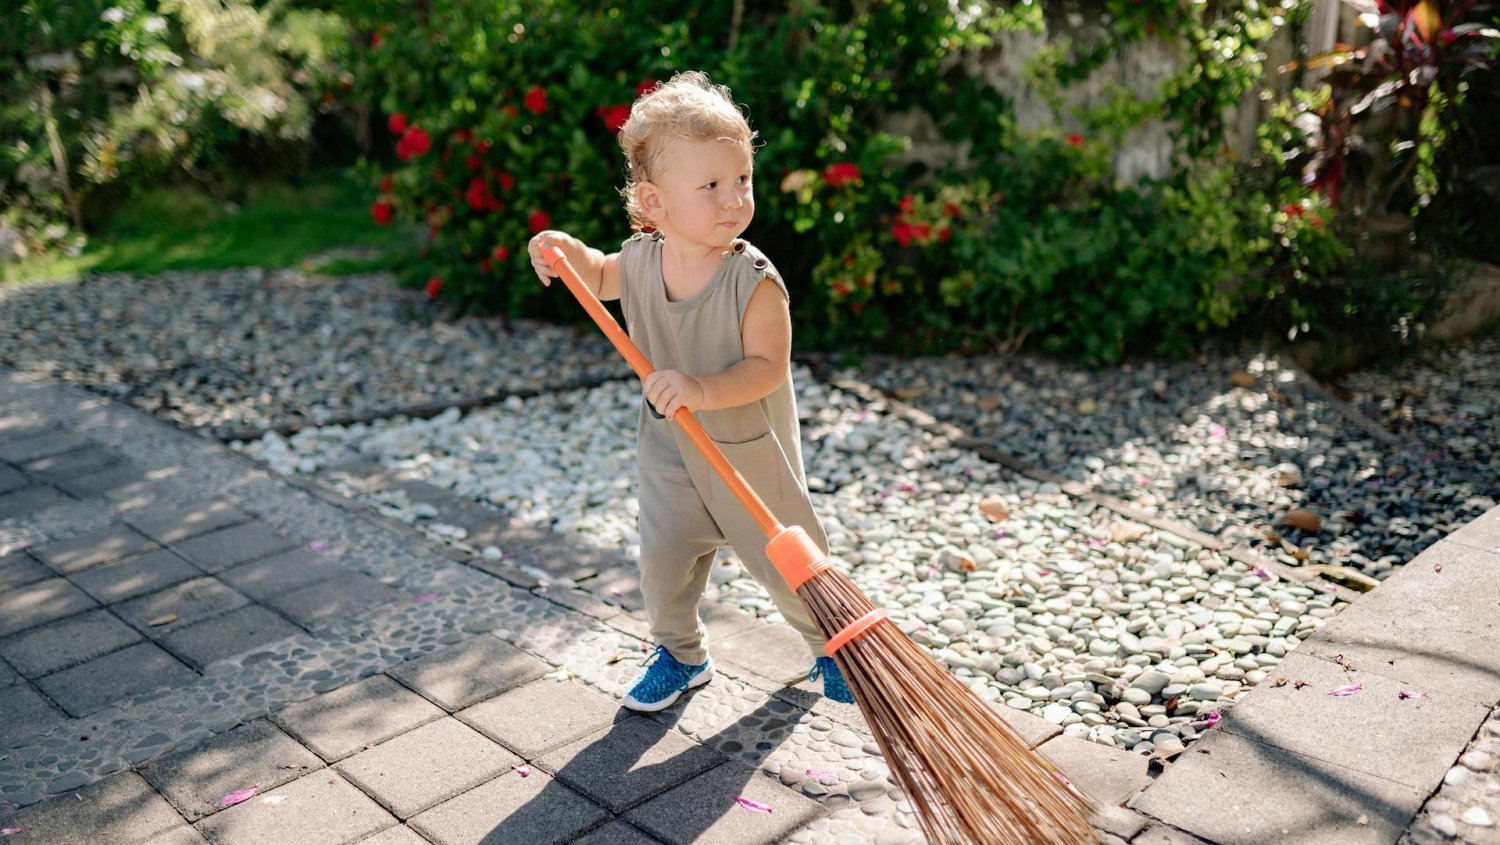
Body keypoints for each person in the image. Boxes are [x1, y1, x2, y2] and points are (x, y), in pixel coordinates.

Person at [527, 71, 853, 712]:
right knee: (664, 562)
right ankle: (680, 653)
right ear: (654, 203)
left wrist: (700, 389)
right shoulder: (640, 261)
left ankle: (832, 646)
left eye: (742, 180)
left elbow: (767, 367)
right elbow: (598, 274)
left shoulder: (754, 281)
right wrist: (566, 252)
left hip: (747, 449)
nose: (734, 199)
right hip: (671, 448)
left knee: (787, 559)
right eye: (710, 186)